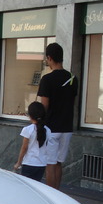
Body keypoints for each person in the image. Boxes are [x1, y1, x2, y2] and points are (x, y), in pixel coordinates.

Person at [37, 42, 78, 190]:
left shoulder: (47, 80)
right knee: (59, 162)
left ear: (49, 58)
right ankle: (58, 193)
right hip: (67, 126)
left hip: (51, 127)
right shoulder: (73, 78)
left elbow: (44, 106)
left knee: (50, 163)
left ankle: (51, 196)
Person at [13, 101, 50, 181]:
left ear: (30, 115)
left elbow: (24, 148)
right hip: (41, 164)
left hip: (29, 163)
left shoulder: (28, 130)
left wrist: (19, 162)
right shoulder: (47, 130)